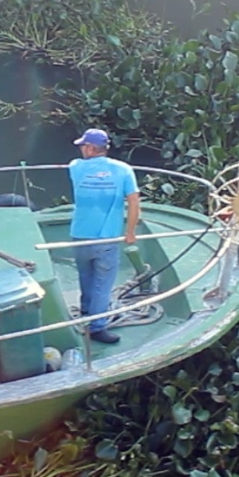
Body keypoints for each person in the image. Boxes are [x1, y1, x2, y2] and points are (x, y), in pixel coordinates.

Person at [67, 128, 139, 345]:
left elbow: (79, 167)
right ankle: (97, 327)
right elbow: (134, 202)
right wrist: (130, 233)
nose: (80, 149)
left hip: (79, 235)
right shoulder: (124, 170)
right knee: (102, 285)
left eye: (82, 146)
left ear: (90, 148)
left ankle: (86, 312)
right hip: (106, 239)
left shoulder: (75, 167)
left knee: (85, 278)